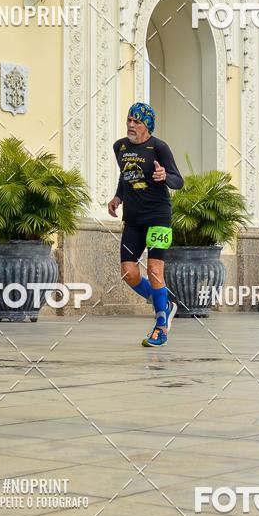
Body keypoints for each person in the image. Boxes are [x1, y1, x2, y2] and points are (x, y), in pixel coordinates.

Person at [108, 102, 183, 347]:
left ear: (147, 125)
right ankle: (164, 302)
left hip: (158, 217)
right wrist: (118, 197)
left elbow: (178, 180)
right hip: (133, 220)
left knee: (154, 270)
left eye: (137, 121)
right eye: (129, 119)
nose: (131, 125)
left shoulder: (159, 147)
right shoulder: (119, 146)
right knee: (128, 273)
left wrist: (165, 177)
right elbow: (125, 175)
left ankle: (161, 324)